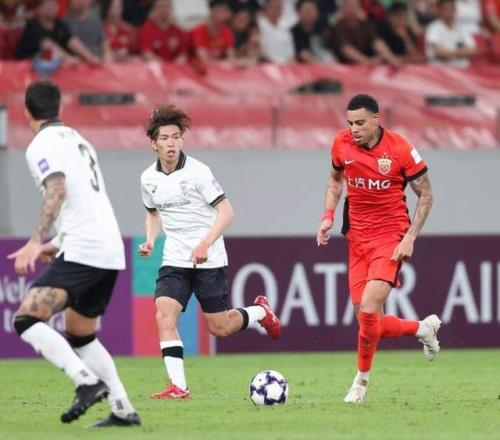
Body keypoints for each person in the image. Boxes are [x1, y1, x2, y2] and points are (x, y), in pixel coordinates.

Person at [7, 80, 140, 427]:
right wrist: (59, 242)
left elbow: (58, 188)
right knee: (81, 334)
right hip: (107, 248)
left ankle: (85, 382)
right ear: (60, 108)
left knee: (25, 319)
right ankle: (122, 408)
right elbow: (86, 200)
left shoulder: (41, 144)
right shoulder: (79, 140)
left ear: (26, 112)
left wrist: (36, 240)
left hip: (86, 248)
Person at [139, 105, 281, 399]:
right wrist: (151, 240)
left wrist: (205, 243)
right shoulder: (148, 179)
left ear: (182, 139)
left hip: (209, 259)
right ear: (154, 143)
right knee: (164, 316)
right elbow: (152, 213)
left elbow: (227, 212)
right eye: (164, 138)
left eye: (175, 137)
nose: (171, 143)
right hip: (175, 259)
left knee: (220, 327)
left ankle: (259, 311)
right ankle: (179, 387)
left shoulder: (198, 172)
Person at [316, 94, 441, 404]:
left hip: (390, 238)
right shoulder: (341, 143)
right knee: (368, 323)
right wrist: (328, 216)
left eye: (360, 123)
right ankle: (423, 328)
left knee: (370, 308)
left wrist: (410, 237)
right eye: (350, 123)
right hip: (357, 239)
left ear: (375, 119)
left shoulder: (399, 149)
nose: (354, 129)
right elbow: (334, 180)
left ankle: (360, 382)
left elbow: (426, 194)